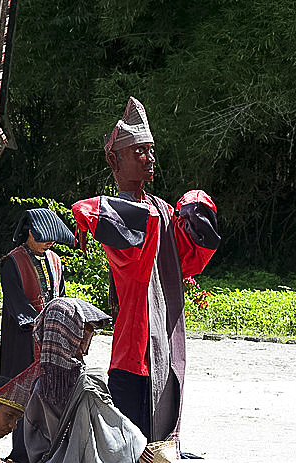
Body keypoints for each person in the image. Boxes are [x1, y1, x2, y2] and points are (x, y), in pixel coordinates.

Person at [71, 97, 220, 445]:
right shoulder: (135, 214)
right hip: (132, 346)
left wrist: (197, 213)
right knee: (131, 447)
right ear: (114, 159)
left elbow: (188, 260)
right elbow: (91, 211)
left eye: (150, 150)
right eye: (139, 150)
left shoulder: (161, 211)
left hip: (162, 336)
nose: (149, 158)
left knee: (157, 440)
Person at [7, 297, 148, 463]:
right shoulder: (88, 382)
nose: (87, 342)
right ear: (70, 336)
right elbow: (115, 434)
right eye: (84, 333)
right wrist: (140, 446)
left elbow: (33, 440)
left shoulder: (39, 383)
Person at [0, 207, 73, 463]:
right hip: (23, 338)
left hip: (51, 337)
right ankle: (21, 450)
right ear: (29, 233)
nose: (48, 243)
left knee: (51, 390)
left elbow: (60, 296)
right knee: (24, 391)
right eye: (43, 237)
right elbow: (16, 302)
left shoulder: (55, 260)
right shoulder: (12, 261)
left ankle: (49, 446)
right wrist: (35, 322)